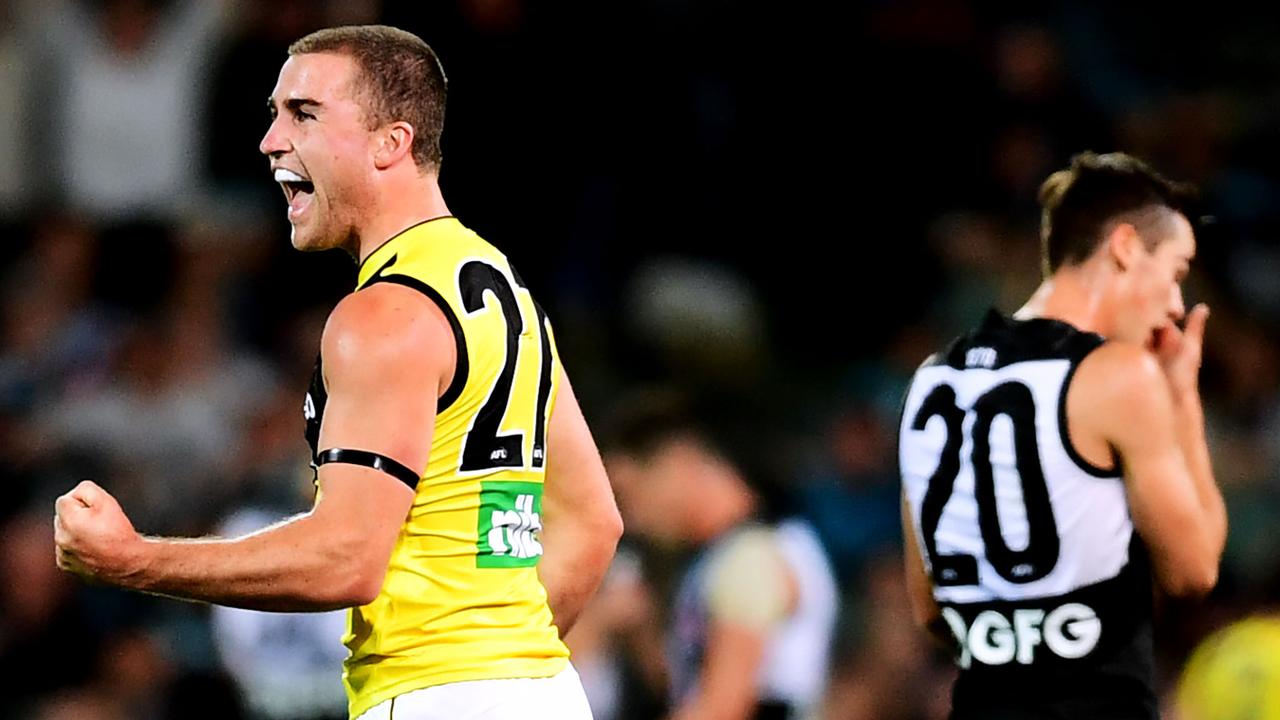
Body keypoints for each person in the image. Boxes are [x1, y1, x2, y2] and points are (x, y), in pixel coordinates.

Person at [53, 24, 623, 720]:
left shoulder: (382, 314)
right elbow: (592, 523)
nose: (270, 141)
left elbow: (346, 559)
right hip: (544, 697)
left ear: (393, 142)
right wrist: (501, 671)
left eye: (304, 114)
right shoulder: (505, 293)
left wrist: (131, 559)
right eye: (273, 114)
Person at [898, 151, 1227, 719]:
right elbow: (1194, 571)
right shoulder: (1118, 376)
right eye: (1175, 273)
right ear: (1125, 248)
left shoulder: (931, 379)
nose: (1176, 305)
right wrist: (1182, 401)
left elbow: (930, 609)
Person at [605, 395, 839, 720]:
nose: (630, 519)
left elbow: (721, 708)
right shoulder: (730, 552)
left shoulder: (749, 557)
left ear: (677, 463)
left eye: (626, 495)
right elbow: (688, 688)